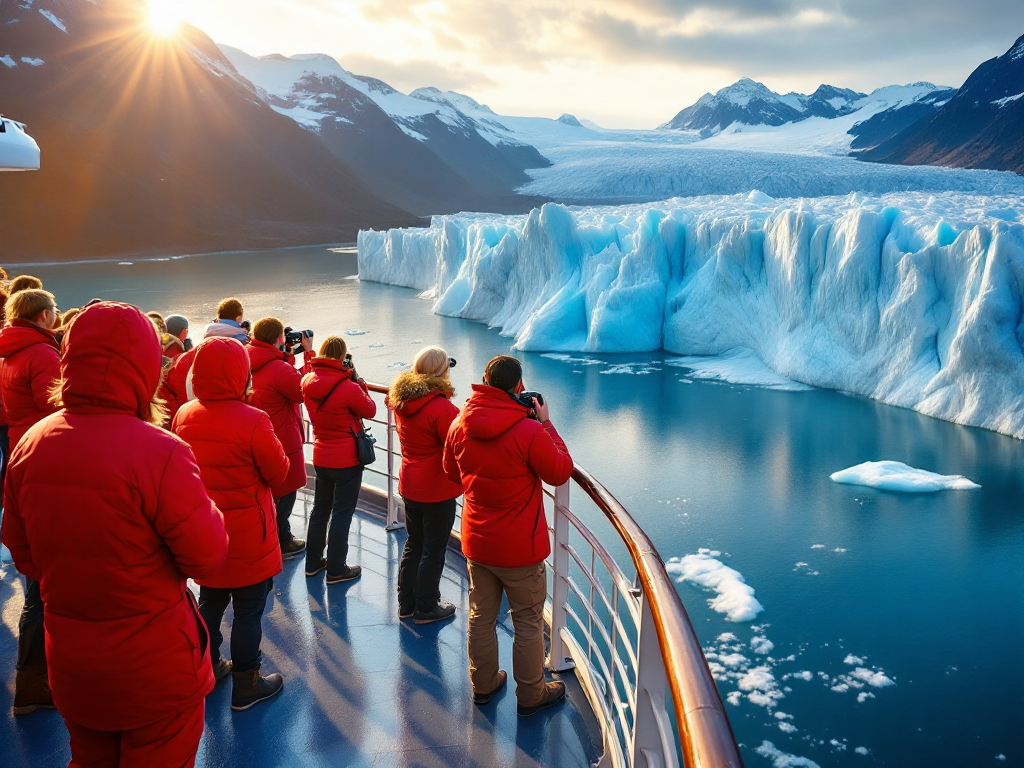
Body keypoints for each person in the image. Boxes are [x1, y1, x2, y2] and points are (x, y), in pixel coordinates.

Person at [1, 301, 228, 765]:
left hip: (73, 663)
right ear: (145, 368)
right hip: (155, 669)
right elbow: (207, 558)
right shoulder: (161, 452)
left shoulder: (31, 443)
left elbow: (22, 554)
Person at [443, 355, 573, 717]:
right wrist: (546, 424)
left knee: (481, 615)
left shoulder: (459, 425)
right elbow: (560, 471)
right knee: (528, 621)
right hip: (520, 548)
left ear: (484, 381)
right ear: (519, 388)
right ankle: (531, 693)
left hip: (477, 542)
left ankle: (483, 684)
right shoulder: (529, 431)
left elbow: (451, 474)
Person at [173, 336, 290, 711]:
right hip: (248, 537)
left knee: (210, 601)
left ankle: (208, 669)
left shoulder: (185, 413)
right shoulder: (254, 420)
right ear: (242, 374)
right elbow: (278, 474)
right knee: (249, 610)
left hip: (207, 529)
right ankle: (247, 683)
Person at [388, 346, 463, 624]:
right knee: (433, 548)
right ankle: (427, 607)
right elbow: (457, 446)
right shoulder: (443, 408)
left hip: (410, 483)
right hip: (437, 488)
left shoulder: (402, 401)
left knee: (414, 543)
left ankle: (406, 603)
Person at [301, 336, 376, 583]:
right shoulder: (348, 387)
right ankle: (336, 569)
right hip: (347, 459)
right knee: (342, 513)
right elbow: (370, 410)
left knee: (320, 510)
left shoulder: (307, 380)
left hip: (321, 455)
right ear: (343, 358)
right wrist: (358, 381)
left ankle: (313, 562)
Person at [248, 317, 313, 560]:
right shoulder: (278, 368)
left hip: (258, 435)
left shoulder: (247, 358)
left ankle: (277, 536)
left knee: (270, 492)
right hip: (282, 438)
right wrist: (308, 354)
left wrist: (285, 357)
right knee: (286, 491)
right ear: (278, 339)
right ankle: (279, 540)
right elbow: (305, 390)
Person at [0, 289, 61, 448]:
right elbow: (53, 405)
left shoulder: (11, 347)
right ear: (44, 315)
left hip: (18, 436)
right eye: (55, 310)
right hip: (41, 440)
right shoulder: (42, 354)